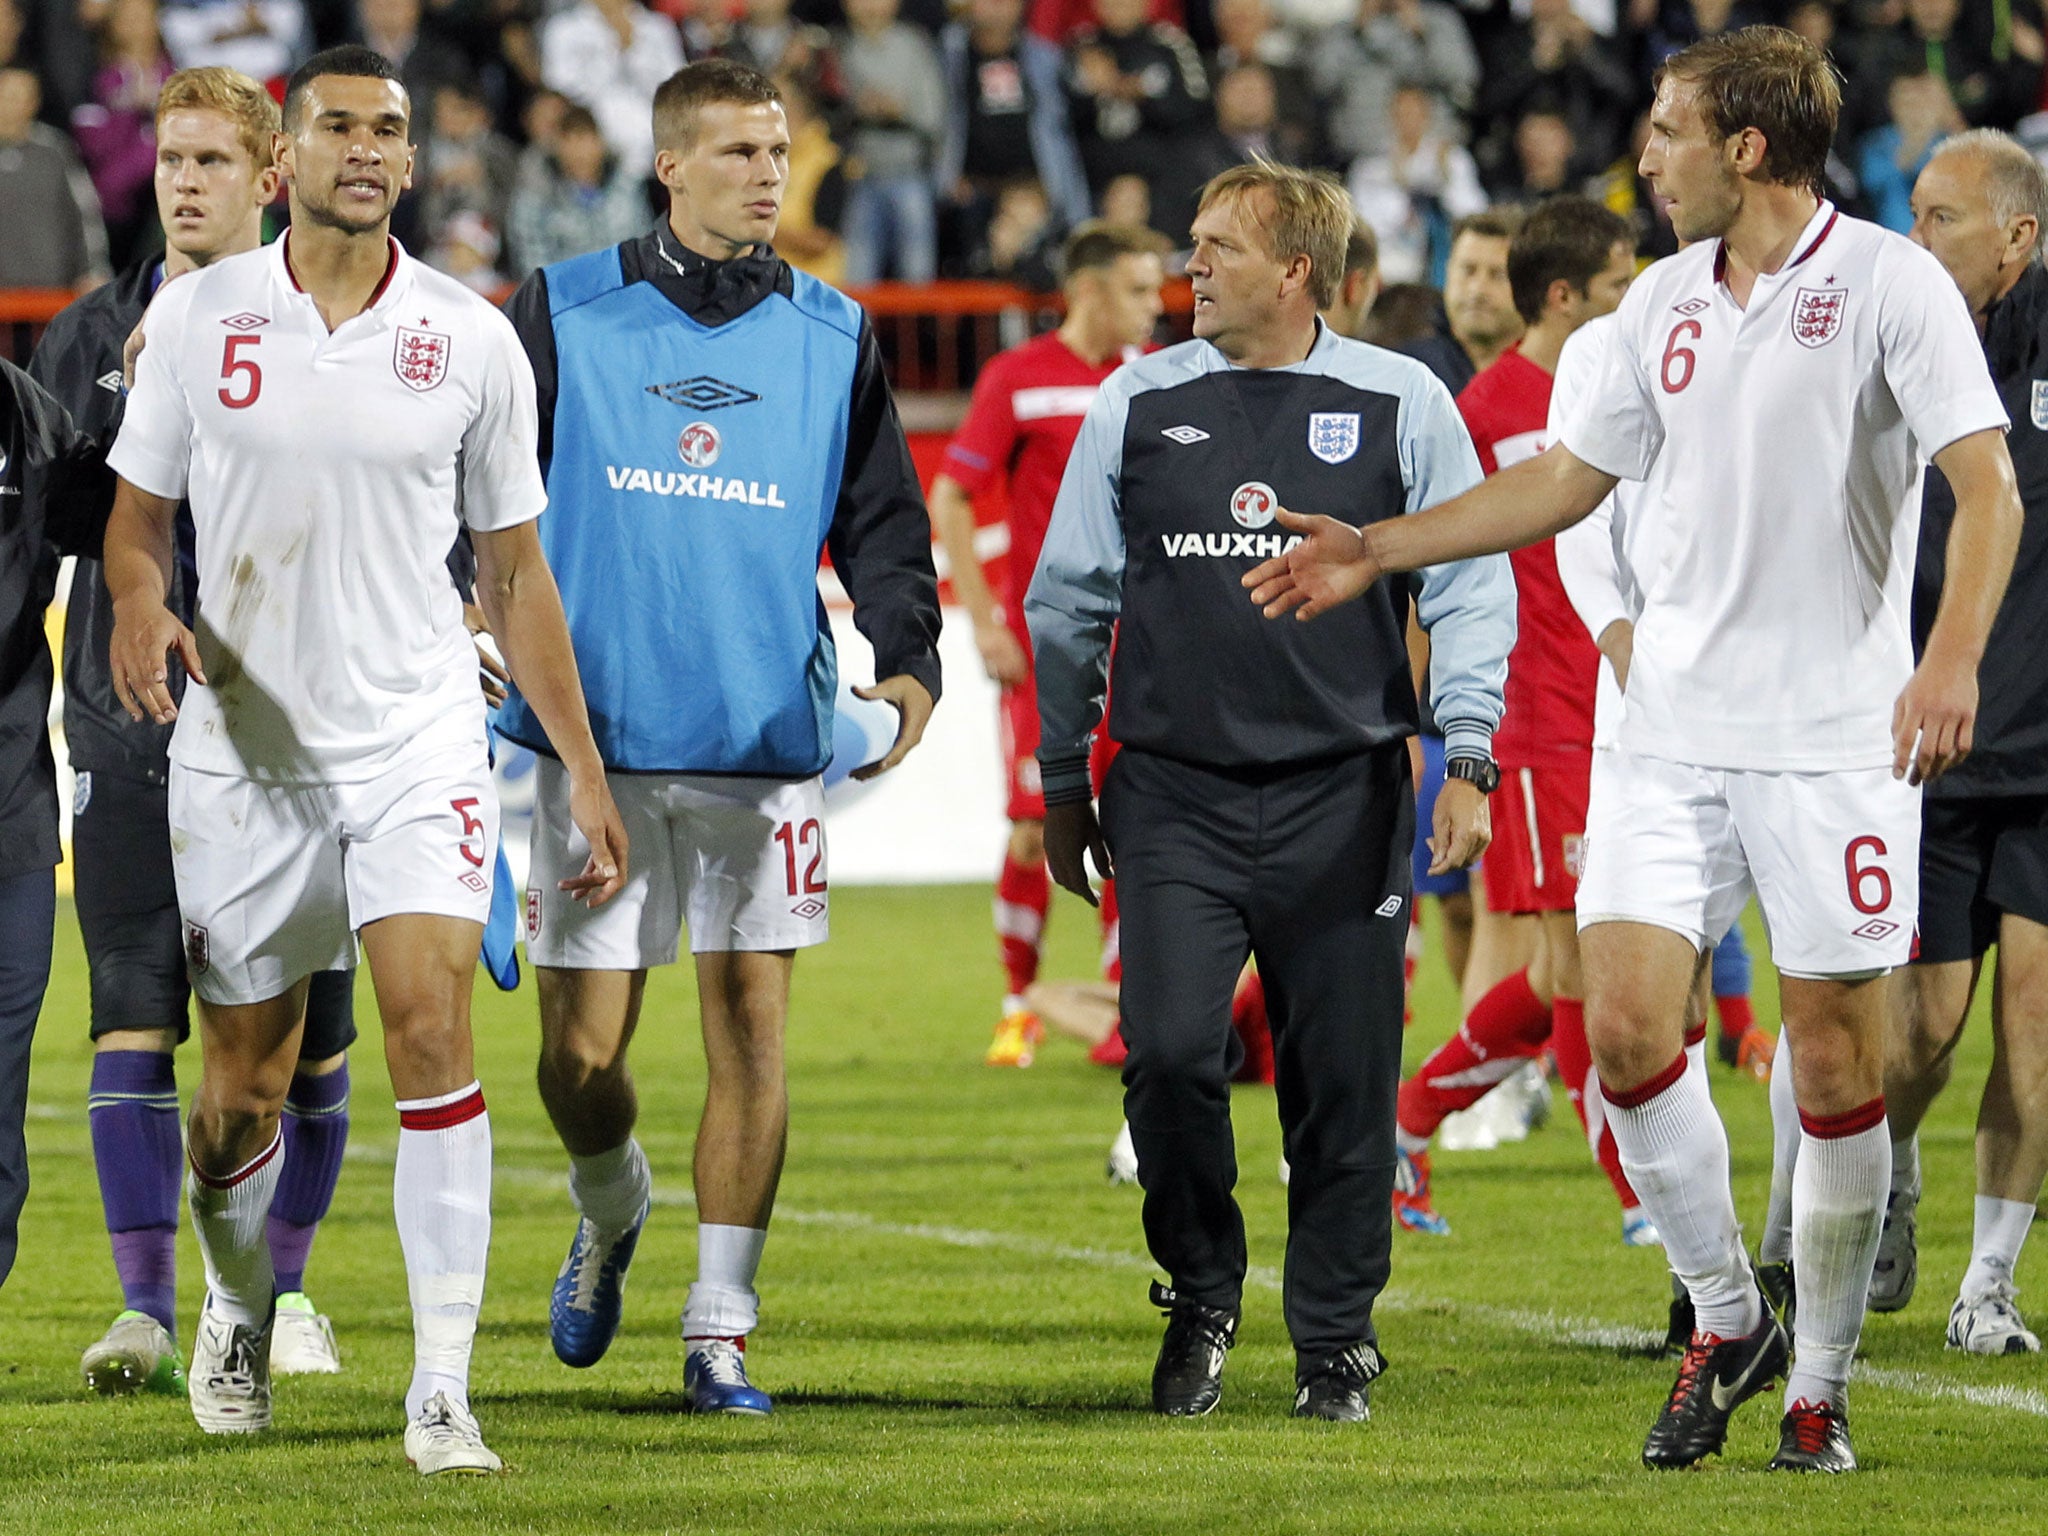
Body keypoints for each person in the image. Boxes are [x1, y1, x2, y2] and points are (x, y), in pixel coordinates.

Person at [1244, 26, 2024, 1472]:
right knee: (1617, 1031)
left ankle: (1823, 1385)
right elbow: (1559, 479)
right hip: (1663, 732)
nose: (1643, 156)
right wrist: (1381, 547)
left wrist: (1951, 659)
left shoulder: (1889, 284)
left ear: (1745, 146)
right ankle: (1733, 1321)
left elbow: (1989, 492)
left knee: (1838, 1064)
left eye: (1667, 131)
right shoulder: (1656, 303)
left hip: (1831, 744)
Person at [102, 45, 627, 1473]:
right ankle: (232, 1295)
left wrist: (576, 761)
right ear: (287, 162)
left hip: (418, 739)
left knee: (434, 1037)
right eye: (338, 126)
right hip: (246, 756)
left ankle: (443, 1388)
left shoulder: (471, 337)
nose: (367, 149)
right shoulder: (202, 319)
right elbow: (137, 525)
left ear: (410, 160)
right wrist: (143, 604)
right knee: (239, 1100)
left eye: (389, 130)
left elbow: (516, 575)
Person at [1029, 160, 1514, 1422]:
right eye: (1188, 245)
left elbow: (1467, 585)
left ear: (1295, 270)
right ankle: (1199, 1289)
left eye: (1213, 248)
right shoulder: (1130, 404)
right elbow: (1066, 603)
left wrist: (1465, 755)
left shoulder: (1400, 397)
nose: (1186, 267)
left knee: (1341, 1086)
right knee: (1173, 1059)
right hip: (1171, 795)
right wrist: (1060, 781)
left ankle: (1333, 1339)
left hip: (1344, 792)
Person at [498, 58, 941, 1416]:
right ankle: (610, 1199)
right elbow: (482, 505)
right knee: (579, 1061)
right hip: (598, 745)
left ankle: (721, 1323)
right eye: (744, 151)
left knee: (754, 1028)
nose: (770, 172)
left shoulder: (832, 331)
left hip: (765, 743)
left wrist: (908, 664)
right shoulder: (562, 311)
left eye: (781, 149)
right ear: (671, 165)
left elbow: (882, 525)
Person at [29, 64, 363, 1399]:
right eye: (171, 161)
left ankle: (280, 1296)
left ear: (269, 175)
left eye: (214, 162)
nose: (185, 182)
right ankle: (146, 1312)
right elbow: (47, 524)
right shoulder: (86, 337)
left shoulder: (320, 329)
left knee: (311, 1040)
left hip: (291, 738)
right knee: (130, 1014)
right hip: (126, 729)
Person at [1389, 195, 1647, 1243]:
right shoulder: (1481, 411)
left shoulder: (1623, 394)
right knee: (1579, 968)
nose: (1633, 303)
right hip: (1531, 720)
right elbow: (1430, 570)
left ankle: (1402, 1125)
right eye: (1616, 288)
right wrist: (1428, 722)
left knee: (1569, 974)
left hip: (1624, 715)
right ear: (1562, 297)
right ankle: (1641, 1202)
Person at [1873, 128, 2048, 1355]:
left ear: (2017, 237)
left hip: (2044, 754)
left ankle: (1987, 1282)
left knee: (2034, 1029)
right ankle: (1886, 1170)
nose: (1915, 239)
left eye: (1940, 219)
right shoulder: (1890, 339)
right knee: (1919, 1034)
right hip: (1923, 749)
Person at [928, 219, 1167, 1068]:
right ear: (1092, 290)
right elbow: (953, 496)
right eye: (1139, 290)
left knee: (1134, 824)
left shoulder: (1157, 381)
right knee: (1037, 828)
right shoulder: (1017, 379)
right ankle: (1016, 1003)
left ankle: (1131, 1015)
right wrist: (985, 620)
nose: (1154, 306)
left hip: (1144, 650)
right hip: (1048, 649)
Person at [0, 361, 110, 1303]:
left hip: (11, 814)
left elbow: (119, 513)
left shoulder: (21, 413)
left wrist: (163, 390)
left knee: (0, 1098)